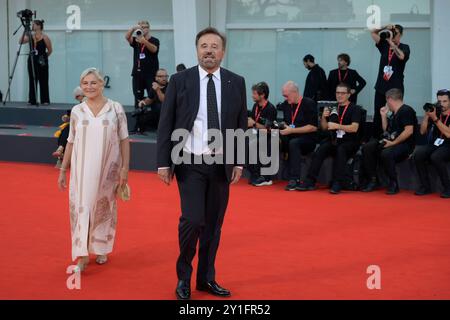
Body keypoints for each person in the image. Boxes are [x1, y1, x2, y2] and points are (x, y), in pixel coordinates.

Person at [157, 27, 247, 300]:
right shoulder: (179, 80)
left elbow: (241, 123)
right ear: (197, 50)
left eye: (214, 46)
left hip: (221, 164)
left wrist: (238, 162)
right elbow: (166, 122)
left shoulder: (236, 82)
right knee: (193, 220)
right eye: (204, 45)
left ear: (223, 51)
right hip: (189, 160)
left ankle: (206, 279)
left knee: (213, 226)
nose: (209, 50)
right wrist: (164, 162)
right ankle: (183, 277)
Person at [57, 68, 130, 272]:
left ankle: (101, 247)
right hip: (81, 172)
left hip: (108, 171)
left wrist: (125, 169)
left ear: (101, 84)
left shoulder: (115, 108)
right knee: (82, 208)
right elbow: (70, 142)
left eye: (93, 83)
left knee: (104, 207)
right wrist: (63, 170)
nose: (89, 87)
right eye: (85, 83)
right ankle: (82, 255)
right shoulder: (77, 111)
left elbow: (124, 140)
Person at [297, 82, 362, 194]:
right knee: (322, 148)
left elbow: (354, 128)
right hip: (334, 139)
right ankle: (310, 181)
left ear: (348, 94)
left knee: (341, 149)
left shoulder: (355, 108)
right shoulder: (333, 108)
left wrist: (338, 126)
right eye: (337, 93)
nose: (339, 95)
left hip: (349, 141)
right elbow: (325, 128)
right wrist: (323, 118)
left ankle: (337, 182)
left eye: (342, 93)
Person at [361, 88, 417, 195]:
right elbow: (386, 130)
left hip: (405, 145)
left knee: (386, 153)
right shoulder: (394, 113)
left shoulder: (406, 110)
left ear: (389, 99)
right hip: (391, 141)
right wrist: (383, 116)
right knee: (368, 147)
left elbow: (409, 131)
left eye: (387, 101)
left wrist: (393, 143)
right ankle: (373, 179)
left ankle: (393, 183)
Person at [371, 24, 410, 138]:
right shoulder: (384, 45)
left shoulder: (404, 47)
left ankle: (394, 137)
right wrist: (385, 27)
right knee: (378, 113)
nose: (392, 34)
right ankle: (376, 138)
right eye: (392, 32)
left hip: (395, 88)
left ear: (401, 35)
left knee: (395, 113)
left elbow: (402, 57)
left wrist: (393, 45)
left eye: (395, 33)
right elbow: (373, 33)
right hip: (381, 86)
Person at [279, 81, 318, 191]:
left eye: (286, 95)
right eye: (284, 96)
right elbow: (287, 122)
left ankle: (294, 178)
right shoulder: (286, 104)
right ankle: (264, 175)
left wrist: (291, 130)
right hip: (291, 135)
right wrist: (283, 126)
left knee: (294, 142)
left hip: (307, 139)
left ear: (295, 92)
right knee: (271, 138)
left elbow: (313, 127)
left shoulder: (309, 103)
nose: (285, 98)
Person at [413, 89, 450, 198]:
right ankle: (425, 186)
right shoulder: (436, 112)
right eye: (439, 101)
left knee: (436, 157)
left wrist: (435, 118)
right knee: (418, 154)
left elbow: (448, 134)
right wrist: (427, 115)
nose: (441, 104)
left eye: (445, 101)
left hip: (448, 144)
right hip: (437, 143)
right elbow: (422, 131)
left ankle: (447, 187)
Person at [246, 82, 277, 186]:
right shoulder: (255, 106)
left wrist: (254, 123)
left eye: (254, 94)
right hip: (256, 133)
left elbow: (269, 128)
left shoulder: (271, 109)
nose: (252, 95)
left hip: (268, 136)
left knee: (256, 143)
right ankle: (254, 173)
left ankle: (265, 177)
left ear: (262, 95)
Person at [125, 20, 160, 109]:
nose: (143, 29)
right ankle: (138, 118)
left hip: (151, 74)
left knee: (152, 96)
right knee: (137, 97)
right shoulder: (136, 40)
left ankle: (154, 118)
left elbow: (154, 49)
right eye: (141, 27)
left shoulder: (154, 40)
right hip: (138, 73)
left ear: (149, 28)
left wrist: (144, 41)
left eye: (145, 27)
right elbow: (127, 37)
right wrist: (134, 28)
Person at [19, 19, 52, 105]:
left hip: (41, 59)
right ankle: (32, 100)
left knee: (43, 79)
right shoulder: (31, 36)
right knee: (32, 79)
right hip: (32, 59)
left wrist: (43, 58)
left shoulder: (45, 37)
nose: (32, 26)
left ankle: (45, 100)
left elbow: (50, 50)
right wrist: (25, 32)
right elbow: (20, 41)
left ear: (39, 26)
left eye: (33, 25)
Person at [52, 87, 84, 166]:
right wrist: (69, 118)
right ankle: (61, 151)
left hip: (86, 127)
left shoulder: (87, 103)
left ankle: (61, 150)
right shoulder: (80, 105)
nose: (77, 99)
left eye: (77, 97)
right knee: (67, 129)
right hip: (79, 125)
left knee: (68, 129)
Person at [132, 68, 169, 133]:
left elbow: (164, 100)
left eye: (166, 76)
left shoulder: (170, 86)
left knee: (159, 106)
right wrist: (143, 102)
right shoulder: (154, 87)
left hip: (167, 111)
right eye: (161, 76)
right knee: (142, 110)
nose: (164, 78)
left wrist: (157, 89)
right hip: (156, 112)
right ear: (156, 78)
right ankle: (139, 130)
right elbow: (150, 99)